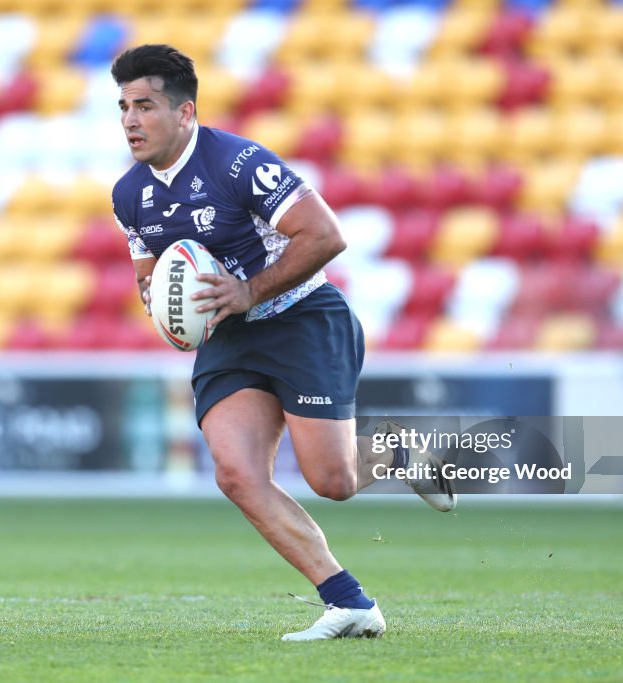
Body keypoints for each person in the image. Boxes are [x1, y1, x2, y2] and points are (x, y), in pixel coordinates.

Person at [109, 44, 455, 641]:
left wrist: (246, 291)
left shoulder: (239, 163)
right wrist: (165, 306)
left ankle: (397, 449)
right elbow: (150, 274)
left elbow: (324, 234)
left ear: (185, 112)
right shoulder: (128, 194)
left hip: (302, 319)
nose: (131, 121)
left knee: (333, 482)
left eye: (145, 106)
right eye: (122, 107)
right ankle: (348, 603)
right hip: (230, 334)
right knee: (237, 474)